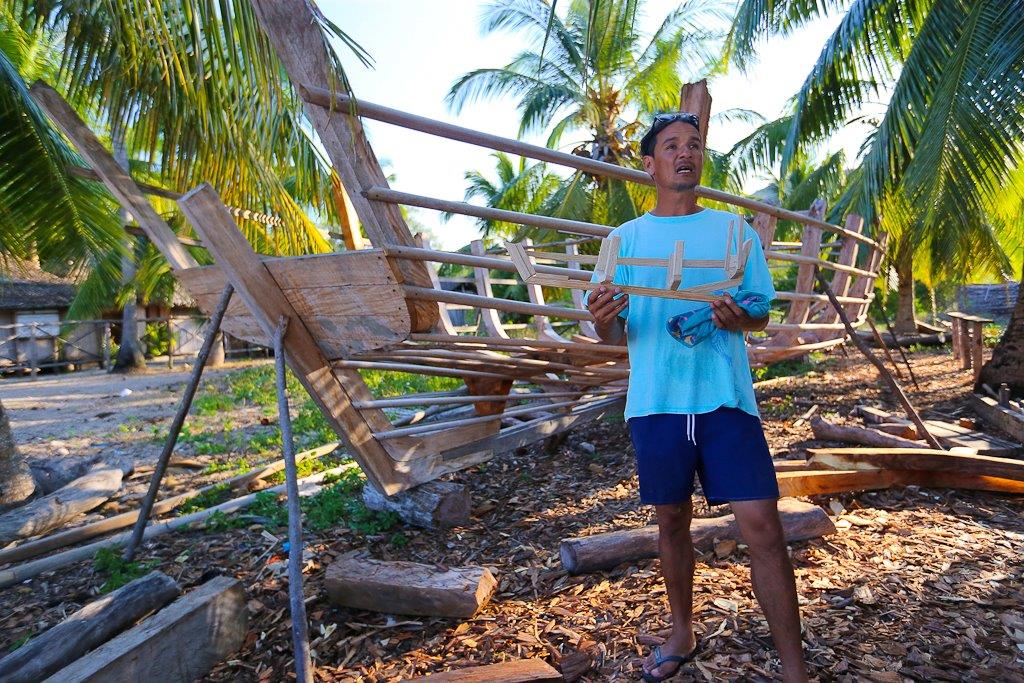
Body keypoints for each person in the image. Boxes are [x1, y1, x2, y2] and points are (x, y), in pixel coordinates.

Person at [584, 112, 809, 682]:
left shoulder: (734, 233)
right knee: (670, 521)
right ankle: (681, 631)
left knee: (763, 527)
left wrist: (738, 317)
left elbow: (758, 313)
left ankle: (795, 669)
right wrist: (601, 320)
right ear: (649, 162)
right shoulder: (624, 241)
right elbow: (612, 332)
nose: (685, 153)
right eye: (671, 145)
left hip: (725, 401)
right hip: (657, 404)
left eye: (694, 145)